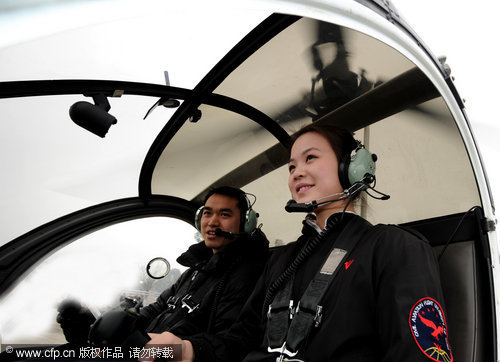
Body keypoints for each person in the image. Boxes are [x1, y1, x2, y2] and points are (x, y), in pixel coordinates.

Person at [152, 123, 452, 362]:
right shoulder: (282, 260)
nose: (297, 172)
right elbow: (243, 337)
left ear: (354, 167)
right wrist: (187, 349)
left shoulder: (393, 247)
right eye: (291, 166)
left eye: (310, 158)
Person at [56, 186, 269, 356]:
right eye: (207, 213)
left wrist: (185, 349)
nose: (212, 222)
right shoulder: (196, 269)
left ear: (245, 223)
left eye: (224, 214)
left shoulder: (247, 273)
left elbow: (233, 340)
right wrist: (115, 322)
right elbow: (158, 307)